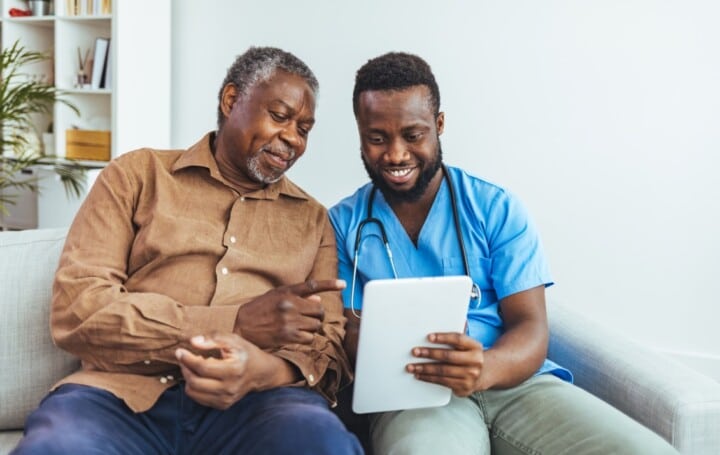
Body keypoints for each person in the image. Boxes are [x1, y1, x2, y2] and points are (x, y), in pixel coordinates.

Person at [12, 47, 362, 454]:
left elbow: (327, 346)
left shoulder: (313, 220)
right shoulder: (136, 176)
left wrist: (263, 370)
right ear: (232, 101)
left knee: (322, 442)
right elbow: (80, 309)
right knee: (56, 447)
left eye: (304, 128)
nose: (292, 139)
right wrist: (235, 323)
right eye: (280, 116)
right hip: (117, 399)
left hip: (261, 405)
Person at [329, 51, 678, 454]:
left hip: (517, 386)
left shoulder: (495, 207)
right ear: (359, 132)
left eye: (413, 135)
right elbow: (347, 332)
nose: (395, 154)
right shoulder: (343, 224)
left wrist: (483, 369)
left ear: (439, 125)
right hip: (415, 394)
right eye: (377, 138)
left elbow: (531, 327)